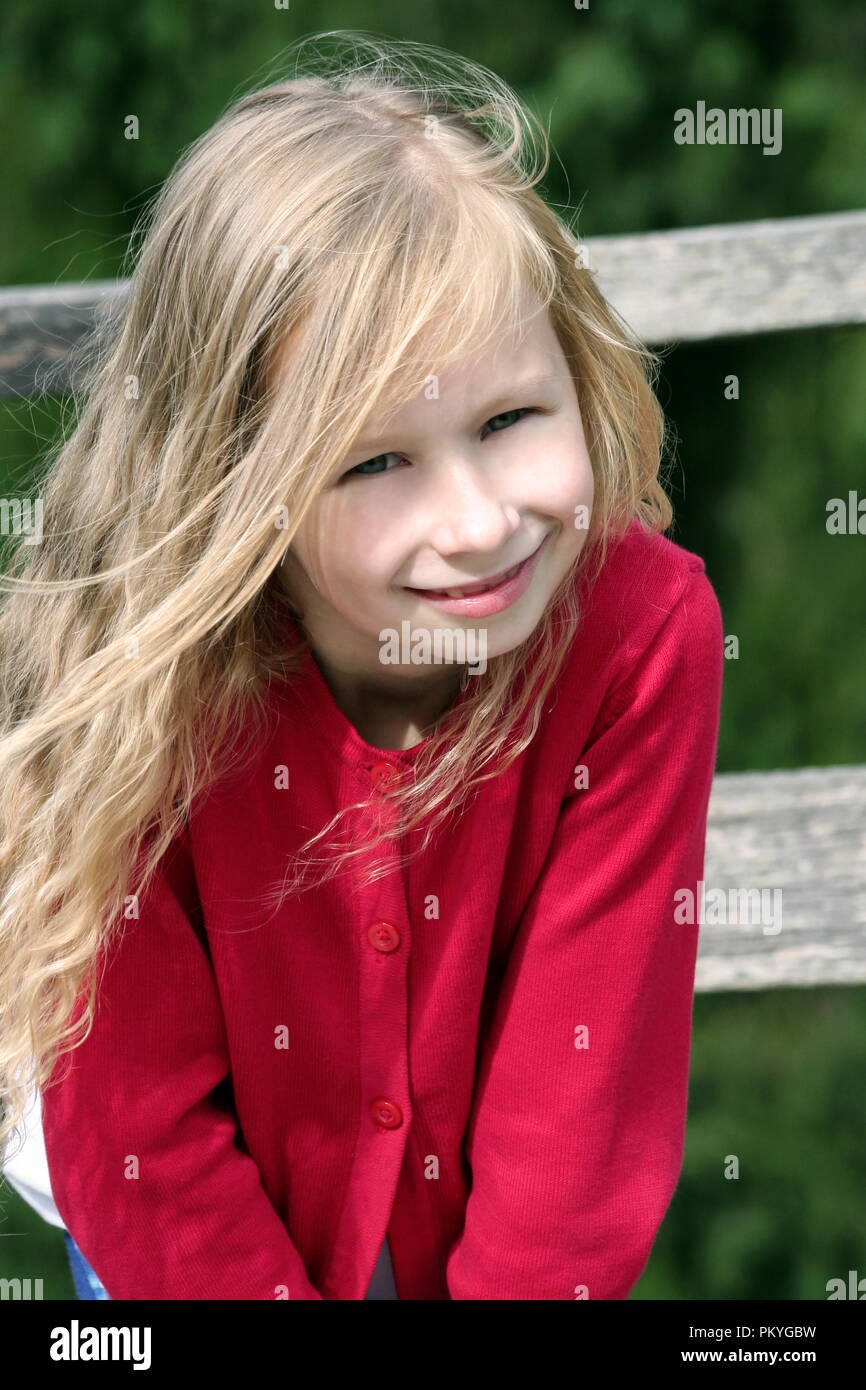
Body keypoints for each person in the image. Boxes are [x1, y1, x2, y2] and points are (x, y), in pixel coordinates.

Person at [0, 31, 723, 1300]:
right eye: (374, 462)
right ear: (237, 487)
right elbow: (137, 1137)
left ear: (576, 368)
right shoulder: (132, 672)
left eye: (507, 421)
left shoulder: (639, 635)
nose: (478, 520)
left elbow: (582, 1096)